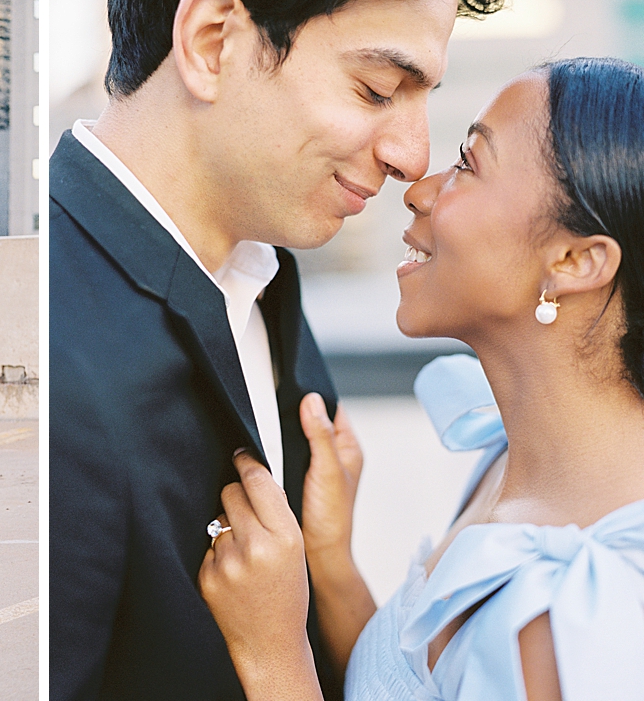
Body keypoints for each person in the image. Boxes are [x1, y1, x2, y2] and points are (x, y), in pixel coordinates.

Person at [49, 0, 517, 698]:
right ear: (212, 42)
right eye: (376, 89)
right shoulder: (57, 347)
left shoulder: (265, 274)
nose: (414, 156)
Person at [200, 58, 644, 700]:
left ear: (575, 261)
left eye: (469, 164)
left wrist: (274, 659)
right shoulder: (507, 457)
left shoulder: (596, 600)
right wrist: (328, 563)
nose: (418, 188)